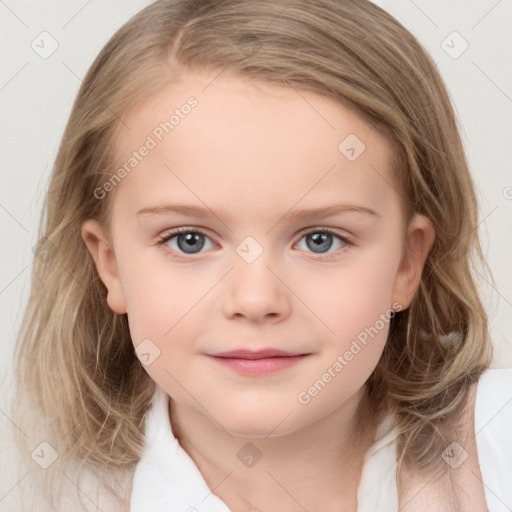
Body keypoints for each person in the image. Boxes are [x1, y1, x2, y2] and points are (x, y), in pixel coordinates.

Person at [8, 0, 512, 511]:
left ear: (407, 263)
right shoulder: (54, 498)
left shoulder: (497, 449)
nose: (255, 299)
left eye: (320, 239)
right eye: (190, 240)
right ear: (110, 264)